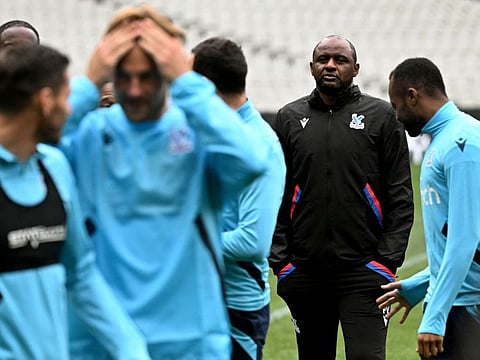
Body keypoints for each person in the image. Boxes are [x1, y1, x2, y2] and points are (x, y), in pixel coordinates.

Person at [60, 4, 269, 360]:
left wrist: (187, 81)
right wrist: (86, 84)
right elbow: (25, 154)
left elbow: (250, 160)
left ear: (170, 72)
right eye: (124, 76)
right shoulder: (91, 135)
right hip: (102, 342)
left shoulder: (198, 132)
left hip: (189, 341)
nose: (136, 89)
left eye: (149, 76)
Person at [0, 44, 150, 360]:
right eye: (67, 97)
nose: (71, 110)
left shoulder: (54, 167)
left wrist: (131, 348)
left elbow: (80, 273)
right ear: (45, 101)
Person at [268, 34, 414, 360]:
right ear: (311, 67)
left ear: (356, 68)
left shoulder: (382, 117)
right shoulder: (289, 118)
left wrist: (386, 261)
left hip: (365, 272)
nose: (330, 65)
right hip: (304, 273)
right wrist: (283, 262)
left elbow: (400, 195)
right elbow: (275, 194)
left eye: (340, 60)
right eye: (323, 59)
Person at [377, 57, 480, 360]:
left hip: (465, 310)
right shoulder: (448, 140)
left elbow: (465, 240)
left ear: (413, 96)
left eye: (397, 105)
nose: (397, 115)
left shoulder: (464, 144)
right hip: (455, 304)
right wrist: (422, 284)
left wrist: (435, 315)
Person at [191, 37, 286, 360]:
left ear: (204, 84)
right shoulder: (208, 132)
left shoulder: (261, 145)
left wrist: (182, 241)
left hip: (234, 305)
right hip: (196, 296)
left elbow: (253, 242)